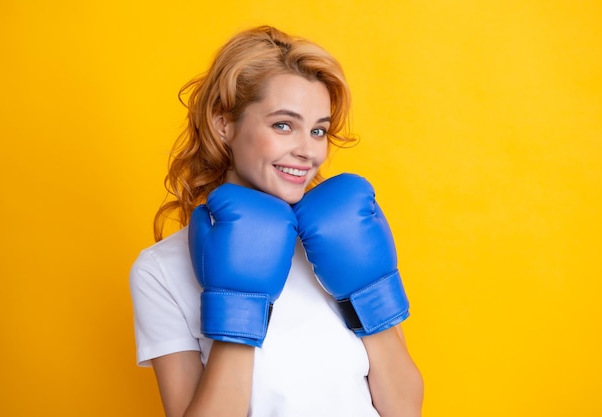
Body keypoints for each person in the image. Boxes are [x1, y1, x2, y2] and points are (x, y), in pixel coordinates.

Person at [129, 25, 423, 417]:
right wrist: (238, 302)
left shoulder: (343, 235)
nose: (308, 151)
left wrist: (368, 293)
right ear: (224, 125)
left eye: (318, 130)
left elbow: (404, 410)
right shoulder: (161, 270)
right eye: (283, 125)